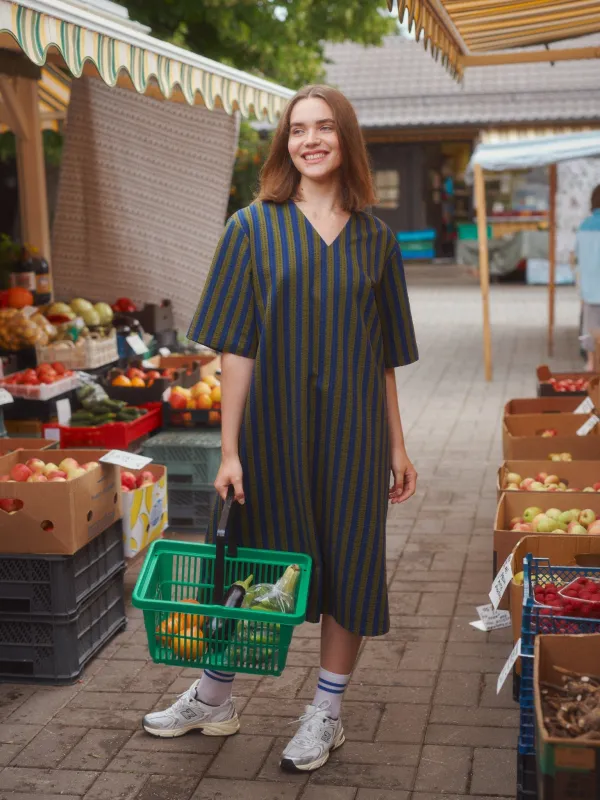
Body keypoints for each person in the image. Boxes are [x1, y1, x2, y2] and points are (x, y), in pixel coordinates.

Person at [142, 84, 418, 772]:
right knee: (245, 557)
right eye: (299, 130)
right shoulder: (251, 228)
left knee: (349, 559)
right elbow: (237, 346)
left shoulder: (377, 241)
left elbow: (384, 357)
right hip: (270, 431)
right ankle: (214, 695)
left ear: (345, 139)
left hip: (353, 433)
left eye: (325, 128)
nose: (311, 140)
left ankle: (326, 711)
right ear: (284, 143)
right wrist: (228, 450)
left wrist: (398, 445)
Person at [576, 185, 600, 371]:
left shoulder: (584, 226)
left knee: (591, 331)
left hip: (590, 289)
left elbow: (577, 256)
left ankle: (592, 364)